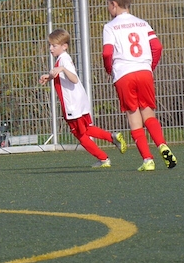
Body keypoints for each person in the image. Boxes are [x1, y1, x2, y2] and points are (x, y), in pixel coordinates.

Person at [102, 0, 177, 171]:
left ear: (114, 4)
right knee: (148, 113)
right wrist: (150, 67)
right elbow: (157, 47)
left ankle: (147, 159)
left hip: (124, 74)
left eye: (108, 5)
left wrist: (109, 70)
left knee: (133, 117)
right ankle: (162, 145)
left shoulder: (110, 27)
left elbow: (107, 53)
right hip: (144, 71)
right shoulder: (143, 23)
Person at [39, 29, 127, 167]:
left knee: (80, 135)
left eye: (54, 45)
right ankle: (112, 137)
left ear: (64, 46)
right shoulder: (63, 59)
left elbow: (74, 79)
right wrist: (49, 76)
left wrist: (62, 69)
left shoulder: (64, 60)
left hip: (72, 104)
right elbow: (63, 76)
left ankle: (104, 159)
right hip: (79, 101)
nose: (51, 48)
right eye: (50, 45)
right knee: (86, 129)